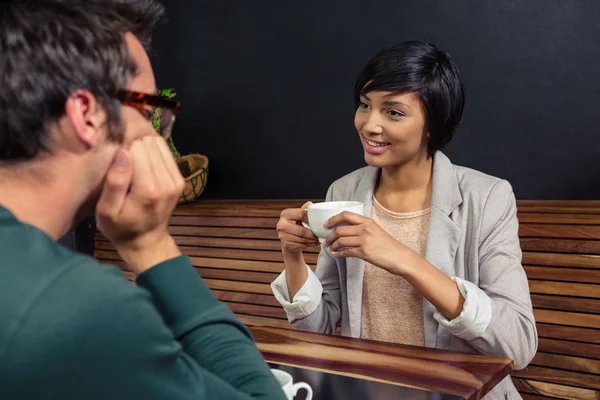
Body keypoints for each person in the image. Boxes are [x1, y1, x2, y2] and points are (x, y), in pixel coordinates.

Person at [0, 1, 285, 399]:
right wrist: (149, 243)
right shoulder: (76, 304)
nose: (155, 133)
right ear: (88, 114)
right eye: (150, 109)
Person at [272, 40, 537, 399]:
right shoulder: (343, 191)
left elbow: (519, 344)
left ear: (433, 124)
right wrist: (293, 257)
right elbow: (318, 326)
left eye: (393, 113)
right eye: (365, 106)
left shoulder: (487, 197)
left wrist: (404, 259)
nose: (369, 125)